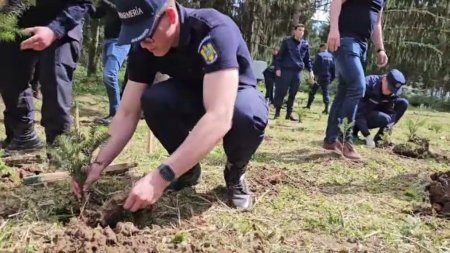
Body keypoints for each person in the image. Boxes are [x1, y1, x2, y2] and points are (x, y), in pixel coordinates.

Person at [72, 0, 269, 211]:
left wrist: (161, 176)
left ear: (171, 17)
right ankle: (187, 169)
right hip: (190, 95)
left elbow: (219, 116)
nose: (144, 44)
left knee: (247, 114)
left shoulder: (213, 31)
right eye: (135, 36)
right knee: (153, 100)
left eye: (146, 34)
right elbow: (128, 113)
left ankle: (235, 171)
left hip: (233, 95)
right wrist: (98, 164)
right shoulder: (144, 47)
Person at [0, 0, 91, 151]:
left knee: (54, 78)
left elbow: (83, 3)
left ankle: (60, 148)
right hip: (16, 20)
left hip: (62, 17)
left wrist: (54, 30)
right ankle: (23, 137)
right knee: (8, 75)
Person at [323, 0, 389, 160]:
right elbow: (337, 2)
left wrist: (380, 48)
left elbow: (377, 22)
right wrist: (333, 30)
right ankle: (345, 139)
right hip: (346, 39)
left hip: (363, 45)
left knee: (344, 91)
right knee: (358, 86)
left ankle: (331, 140)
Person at [90, 0, 131, 125]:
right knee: (108, 77)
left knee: (109, 75)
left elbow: (121, 13)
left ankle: (117, 115)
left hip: (121, 40)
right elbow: (96, 14)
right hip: (108, 41)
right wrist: (86, 4)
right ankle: (114, 113)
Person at [354, 69, 408, 147]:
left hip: (373, 112)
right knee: (384, 118)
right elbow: (357, 112)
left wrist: (387, 132)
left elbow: (390, 112)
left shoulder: (392, 93)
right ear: (384, 79)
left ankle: (380, 139)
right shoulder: (368, 84)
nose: (390, 92)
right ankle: (353, 131)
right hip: (357, 116)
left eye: (393, 90)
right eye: (389, 88)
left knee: (403, 103)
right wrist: (367, 135)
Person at [273, 24, 313, 121]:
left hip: (297, 72)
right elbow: (279, 57)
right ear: (294, 31)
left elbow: (307, 60)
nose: (301, 32)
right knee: (282, 92)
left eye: (303, 31)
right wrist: (278, 68)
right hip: (286, 71)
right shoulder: (287, 42)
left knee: (293, 94)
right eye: (299, 30)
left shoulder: (305, 44)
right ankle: (277, 112)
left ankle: (289, 114)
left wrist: (311, 71)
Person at [304, 43, 335, 114]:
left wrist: (313, 77)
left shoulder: (319, 55)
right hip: (327, 77)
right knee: (326, 93)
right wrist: (332, 78)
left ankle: (308, 106)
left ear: (322, 48)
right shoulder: (331, 56)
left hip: (319, 77)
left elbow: (315, 67)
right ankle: (326, 109)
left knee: (312, 92)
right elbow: (333, 68)